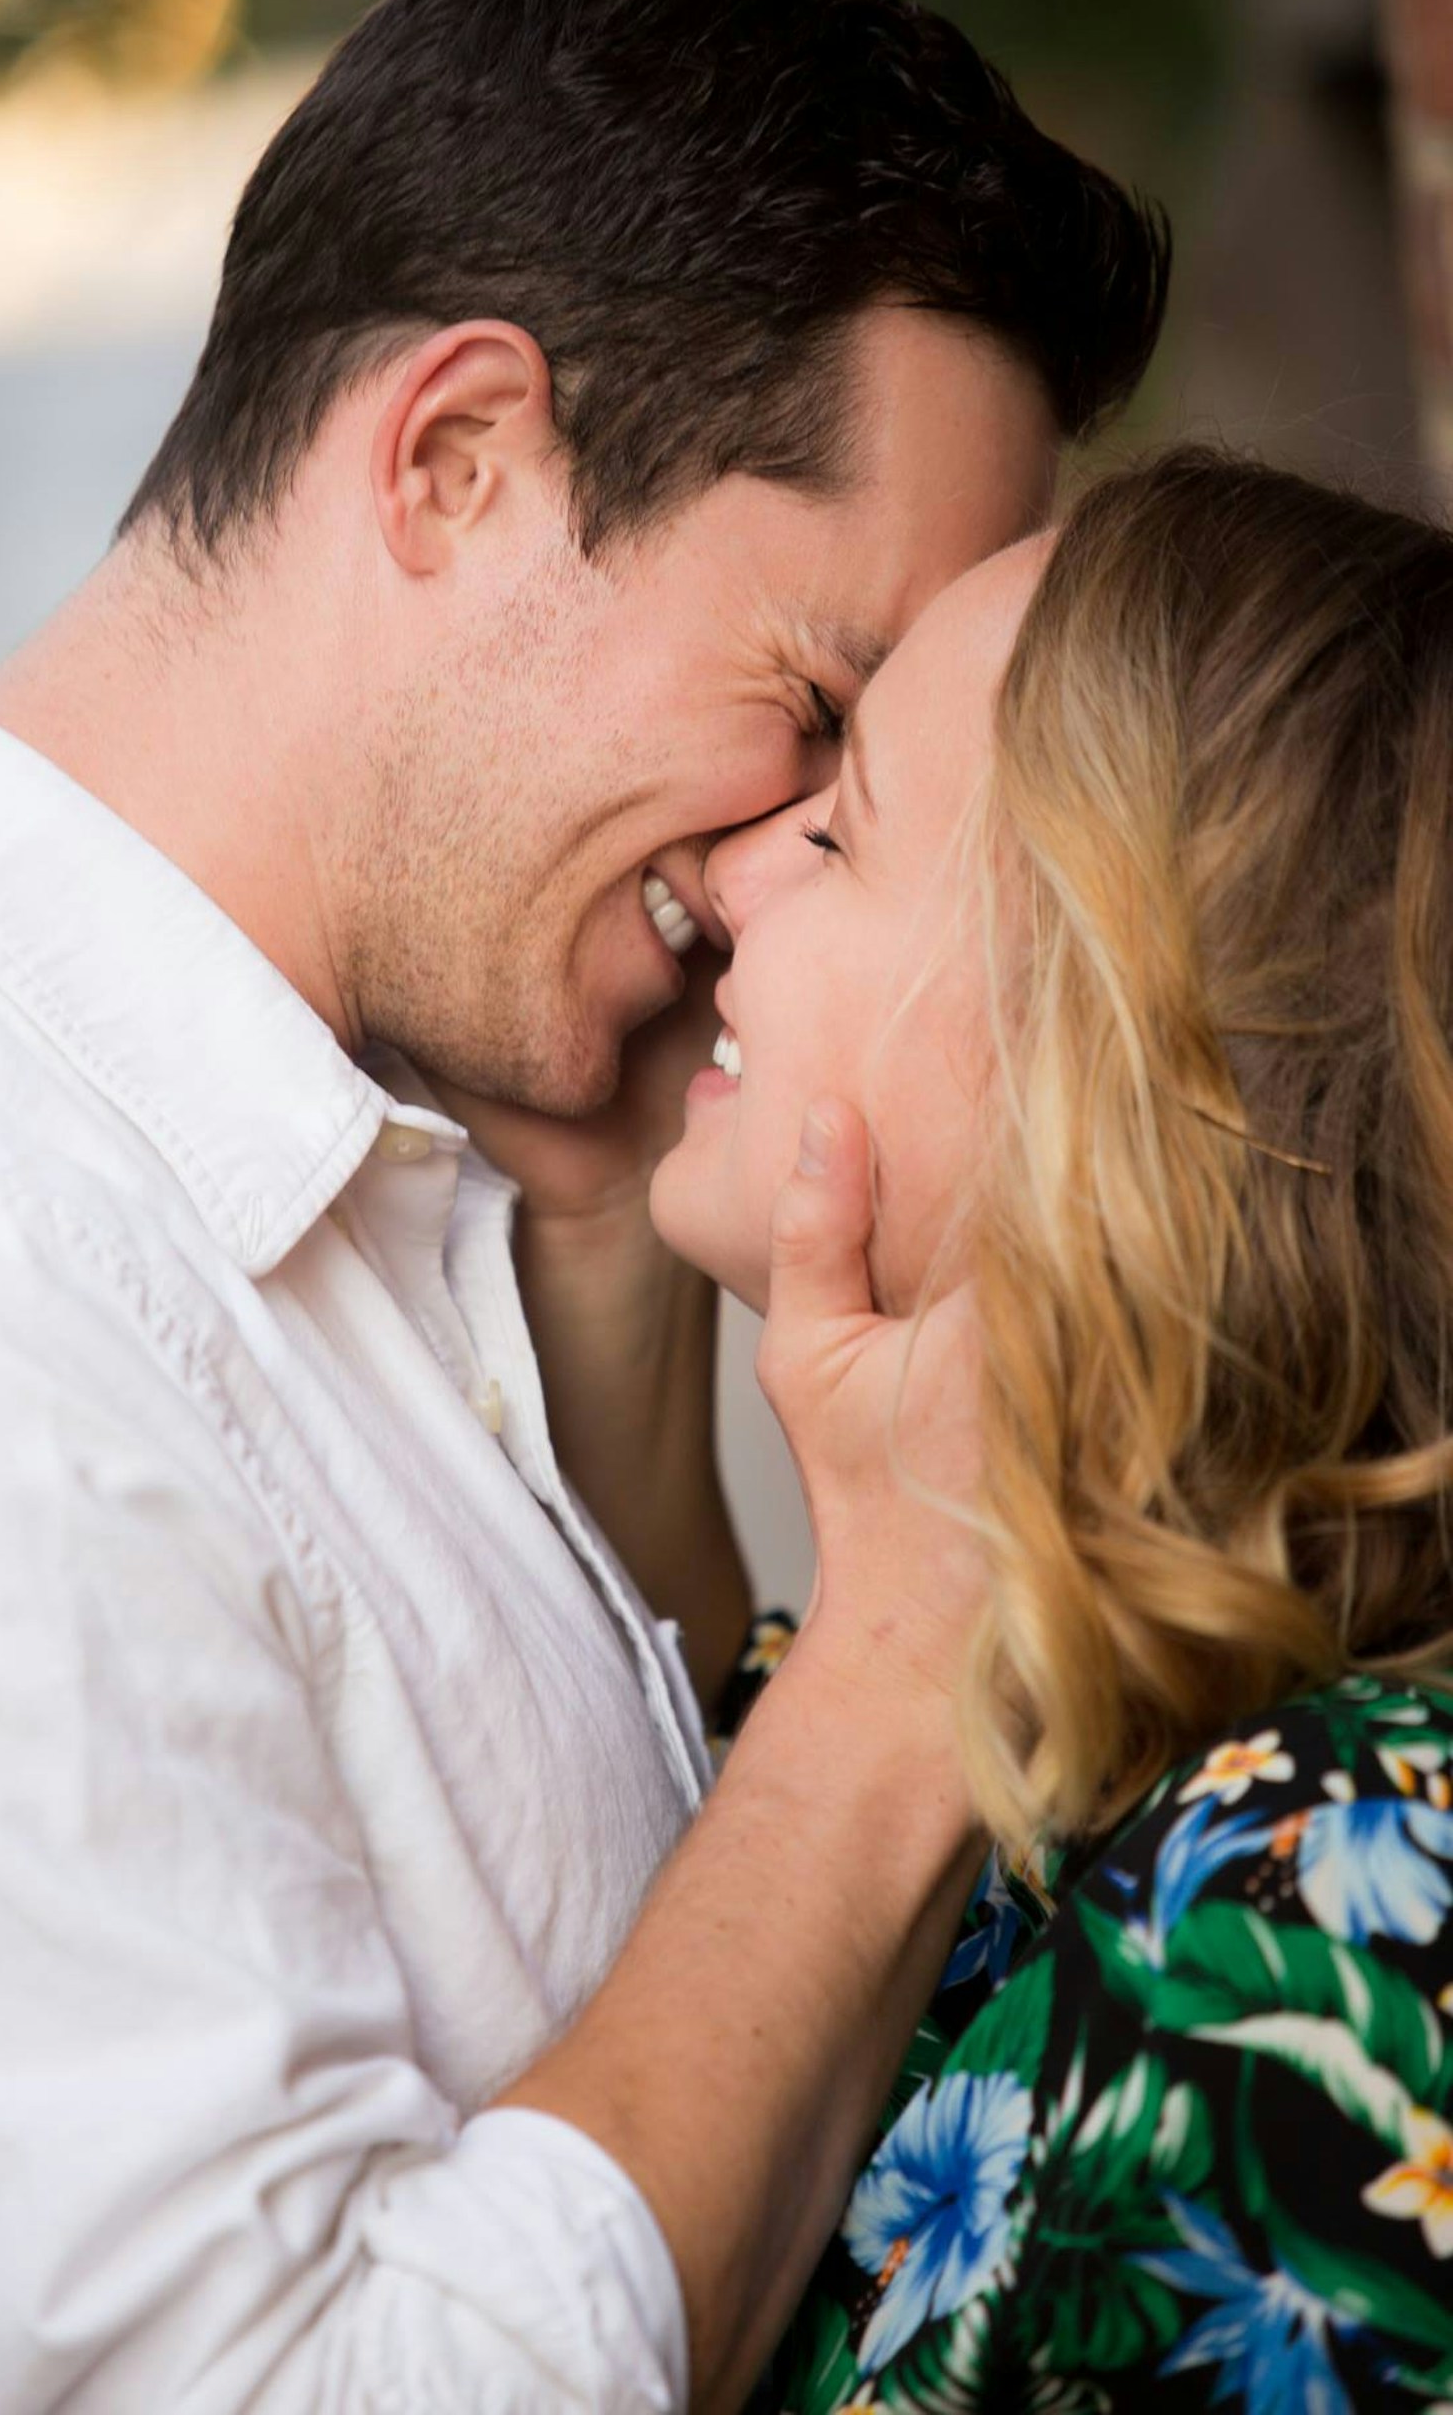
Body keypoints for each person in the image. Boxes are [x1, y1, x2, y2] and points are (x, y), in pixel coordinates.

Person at [0, 0, 1164, 2412]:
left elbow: (623, 2043)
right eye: (816, 704)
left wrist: (614, 1267)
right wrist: (899, 1665)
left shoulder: (330, 1113)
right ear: (456, 458)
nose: (778, 872)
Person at [650, 447, 1453, 2410]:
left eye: (839, 833)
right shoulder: (1043, 1728)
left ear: (1099, 1065)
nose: (727, 869)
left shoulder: (1312, 1909)